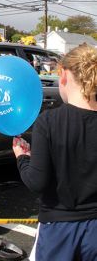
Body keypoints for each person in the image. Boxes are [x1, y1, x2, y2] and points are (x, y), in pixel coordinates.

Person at [12, 43, 97, 261]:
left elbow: (36, 182)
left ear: (65, 76)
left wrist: (22, 158)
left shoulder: (48, 122)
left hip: (59, 229)